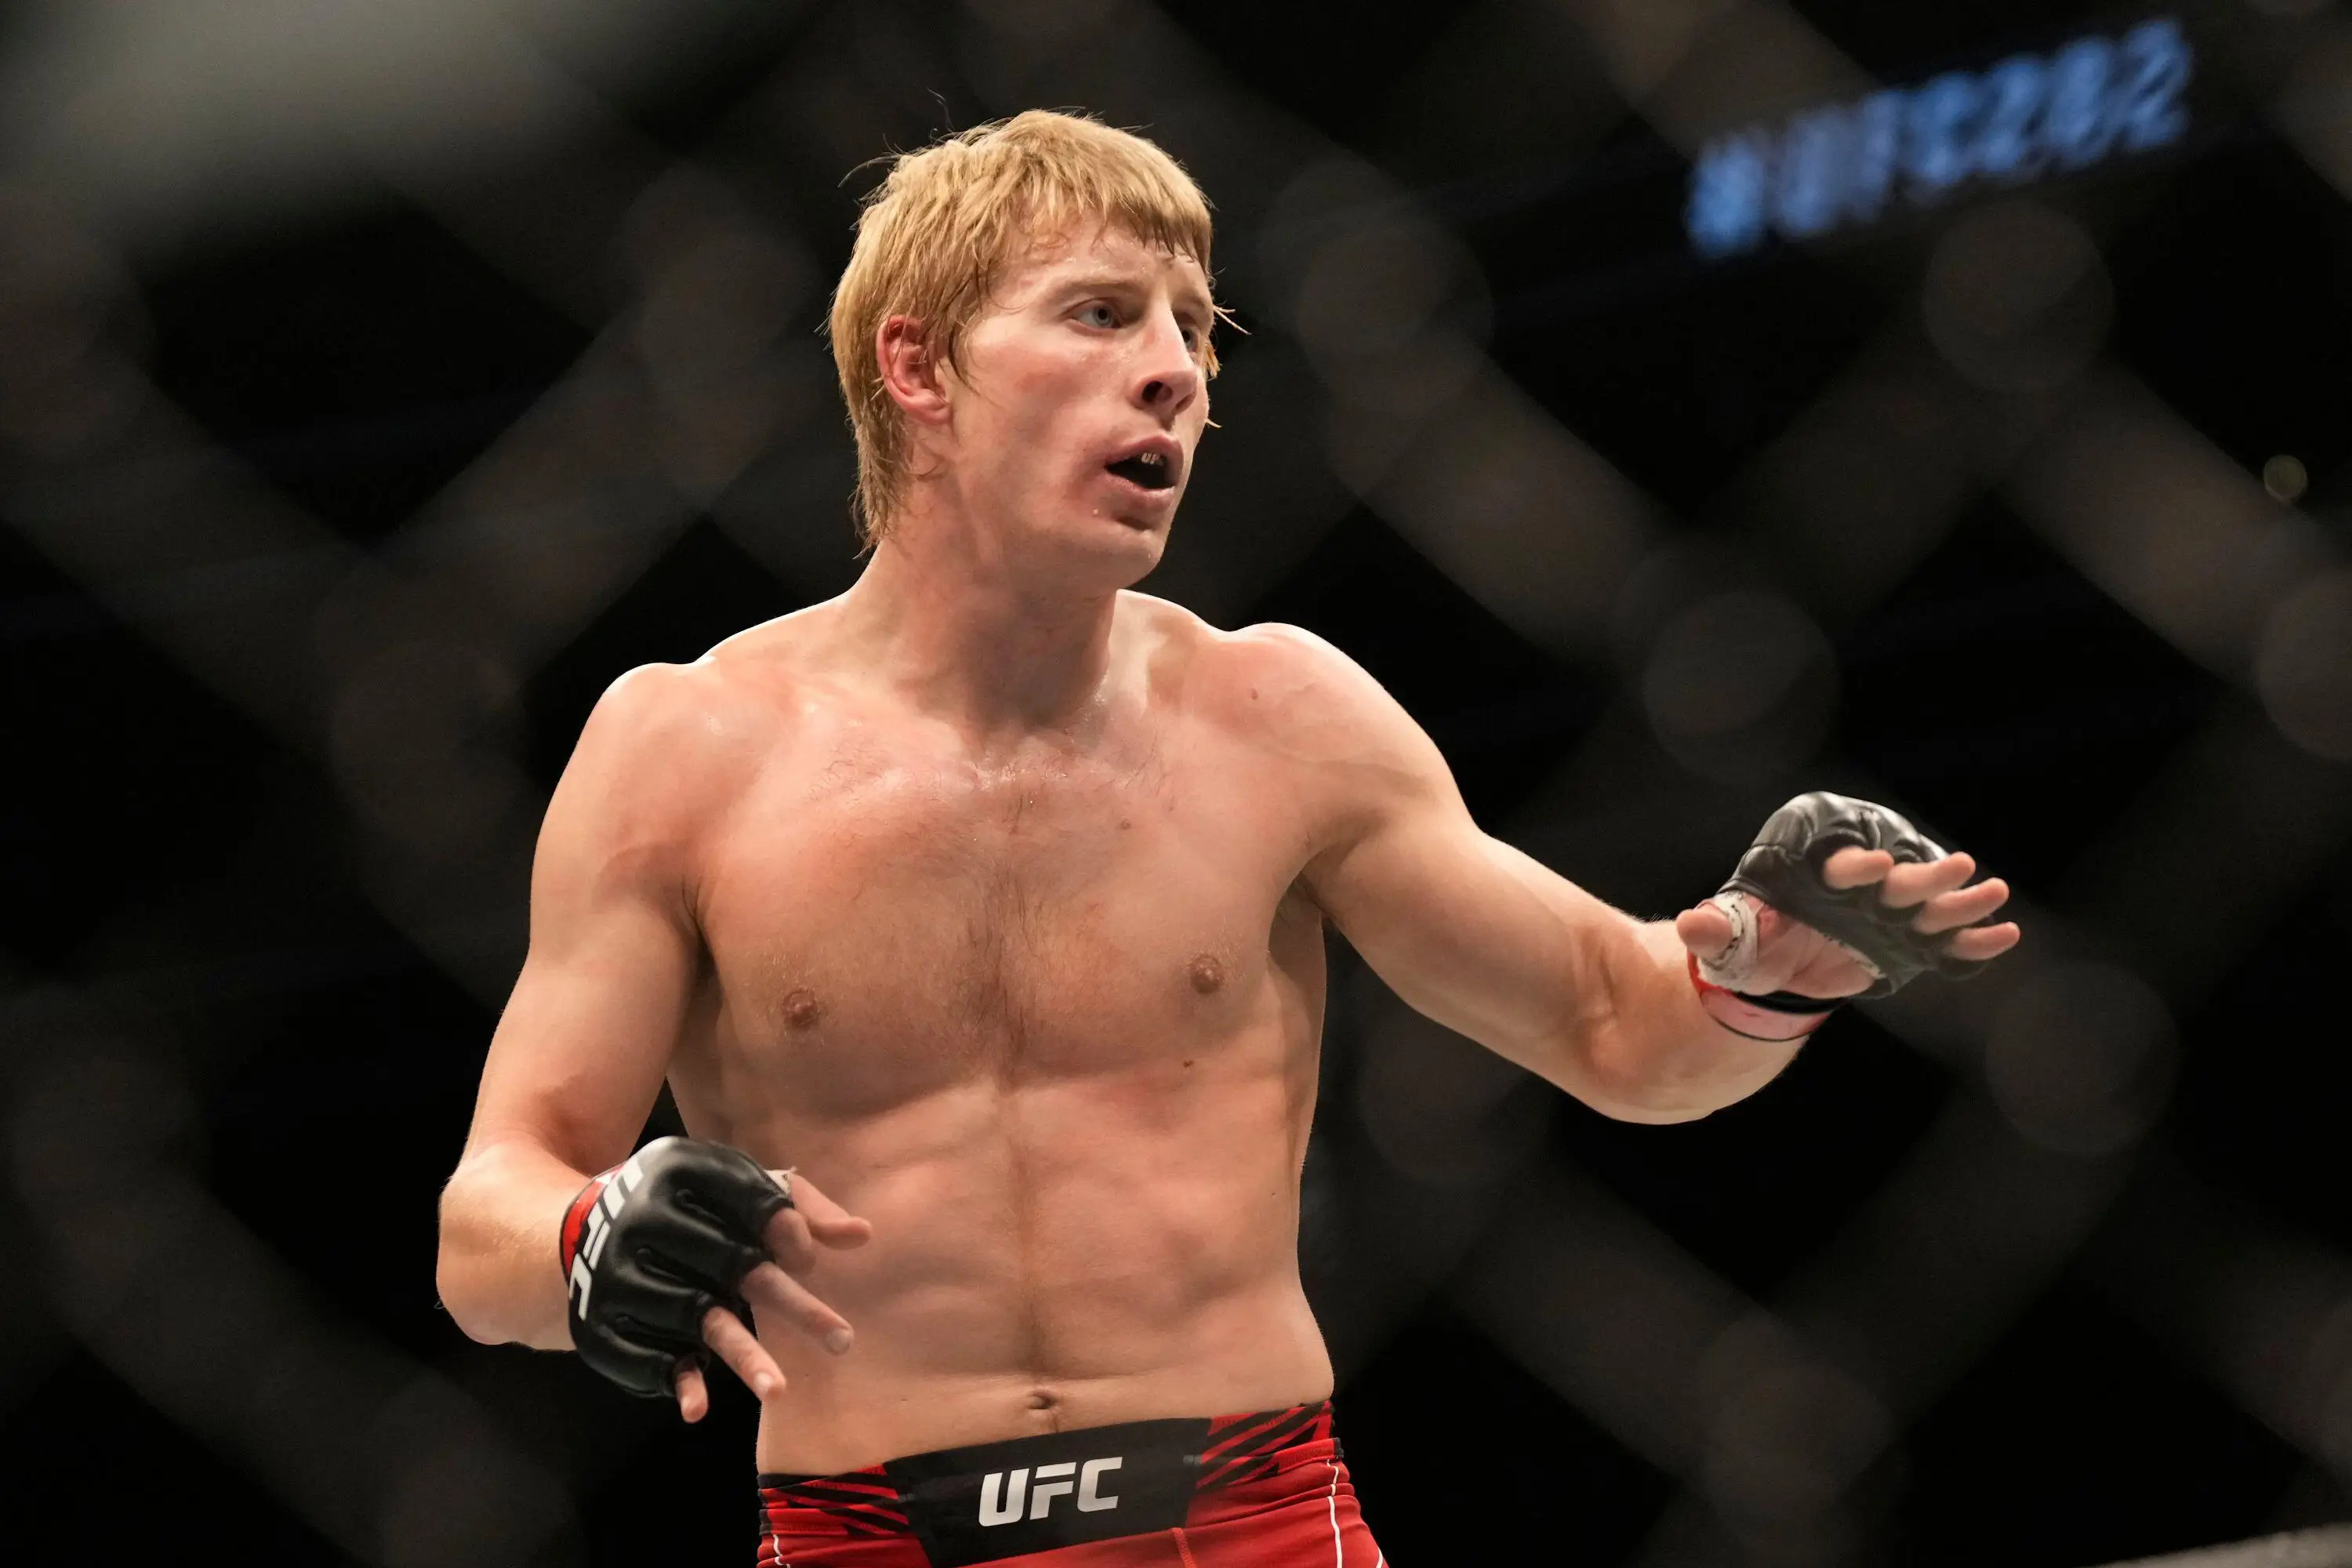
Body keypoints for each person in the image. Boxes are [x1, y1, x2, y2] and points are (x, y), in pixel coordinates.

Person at [434, 111, 2020, 1566]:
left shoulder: (1280, 717)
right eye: (1105, 311)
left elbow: (1626, 1026)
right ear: (920, 371)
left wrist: (1773, 978)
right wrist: (588, 1234)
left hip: (1252, 1521)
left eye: (1199, 327)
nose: (1181, 369)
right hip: (872, 1541)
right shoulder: (686, 747)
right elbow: (483, 1227)